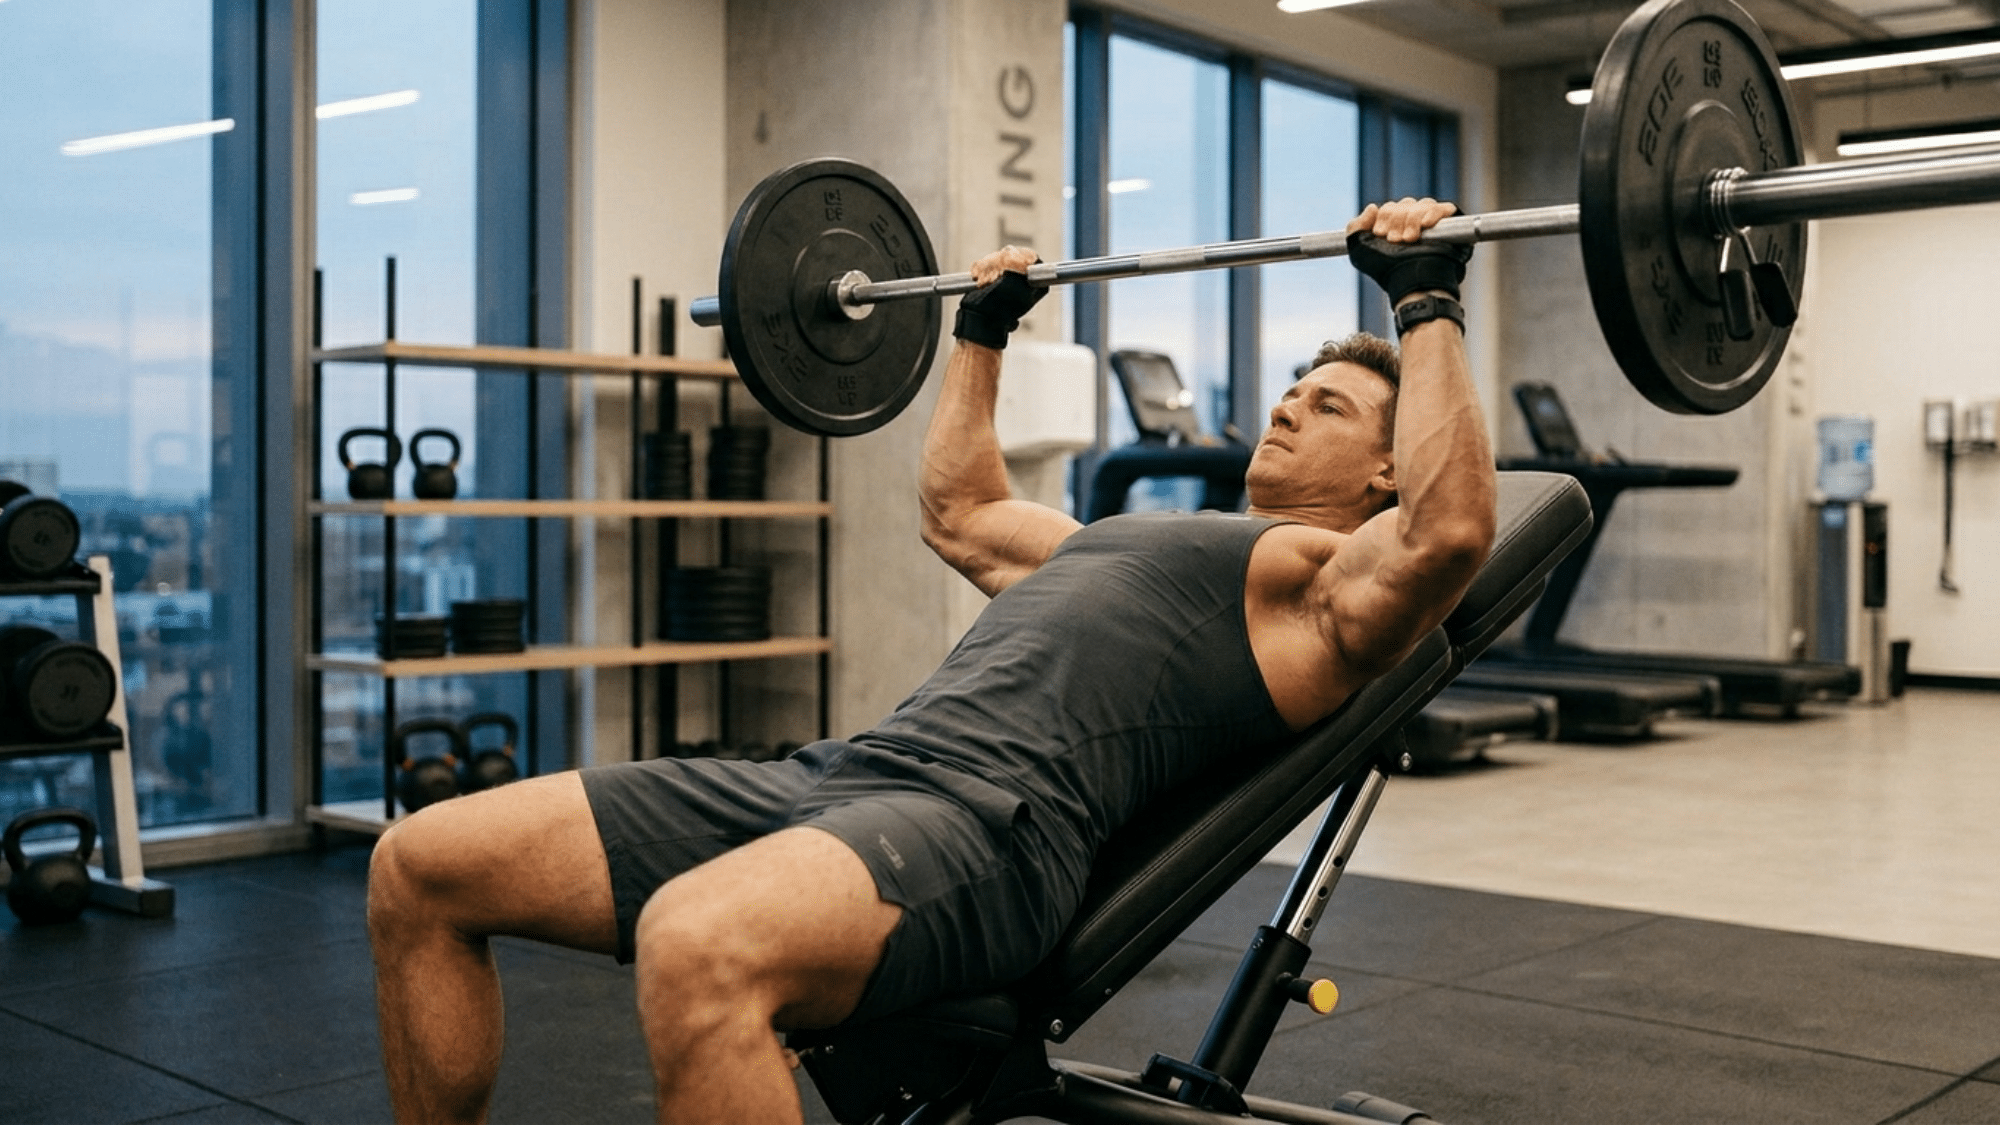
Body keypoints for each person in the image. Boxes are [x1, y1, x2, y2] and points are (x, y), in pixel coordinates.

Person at [365, 197, 1495, 1124]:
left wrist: (1425, 303)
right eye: (1294, 386)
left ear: (1387, 472)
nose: (1291, 403)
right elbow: (959, 510)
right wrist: (980, 334)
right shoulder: (1125, 542)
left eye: (1331, 402)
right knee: (421, 866)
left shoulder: (1319, 588)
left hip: (983, 829)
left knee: (697, 943)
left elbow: (1449, 534)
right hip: (839, 779)